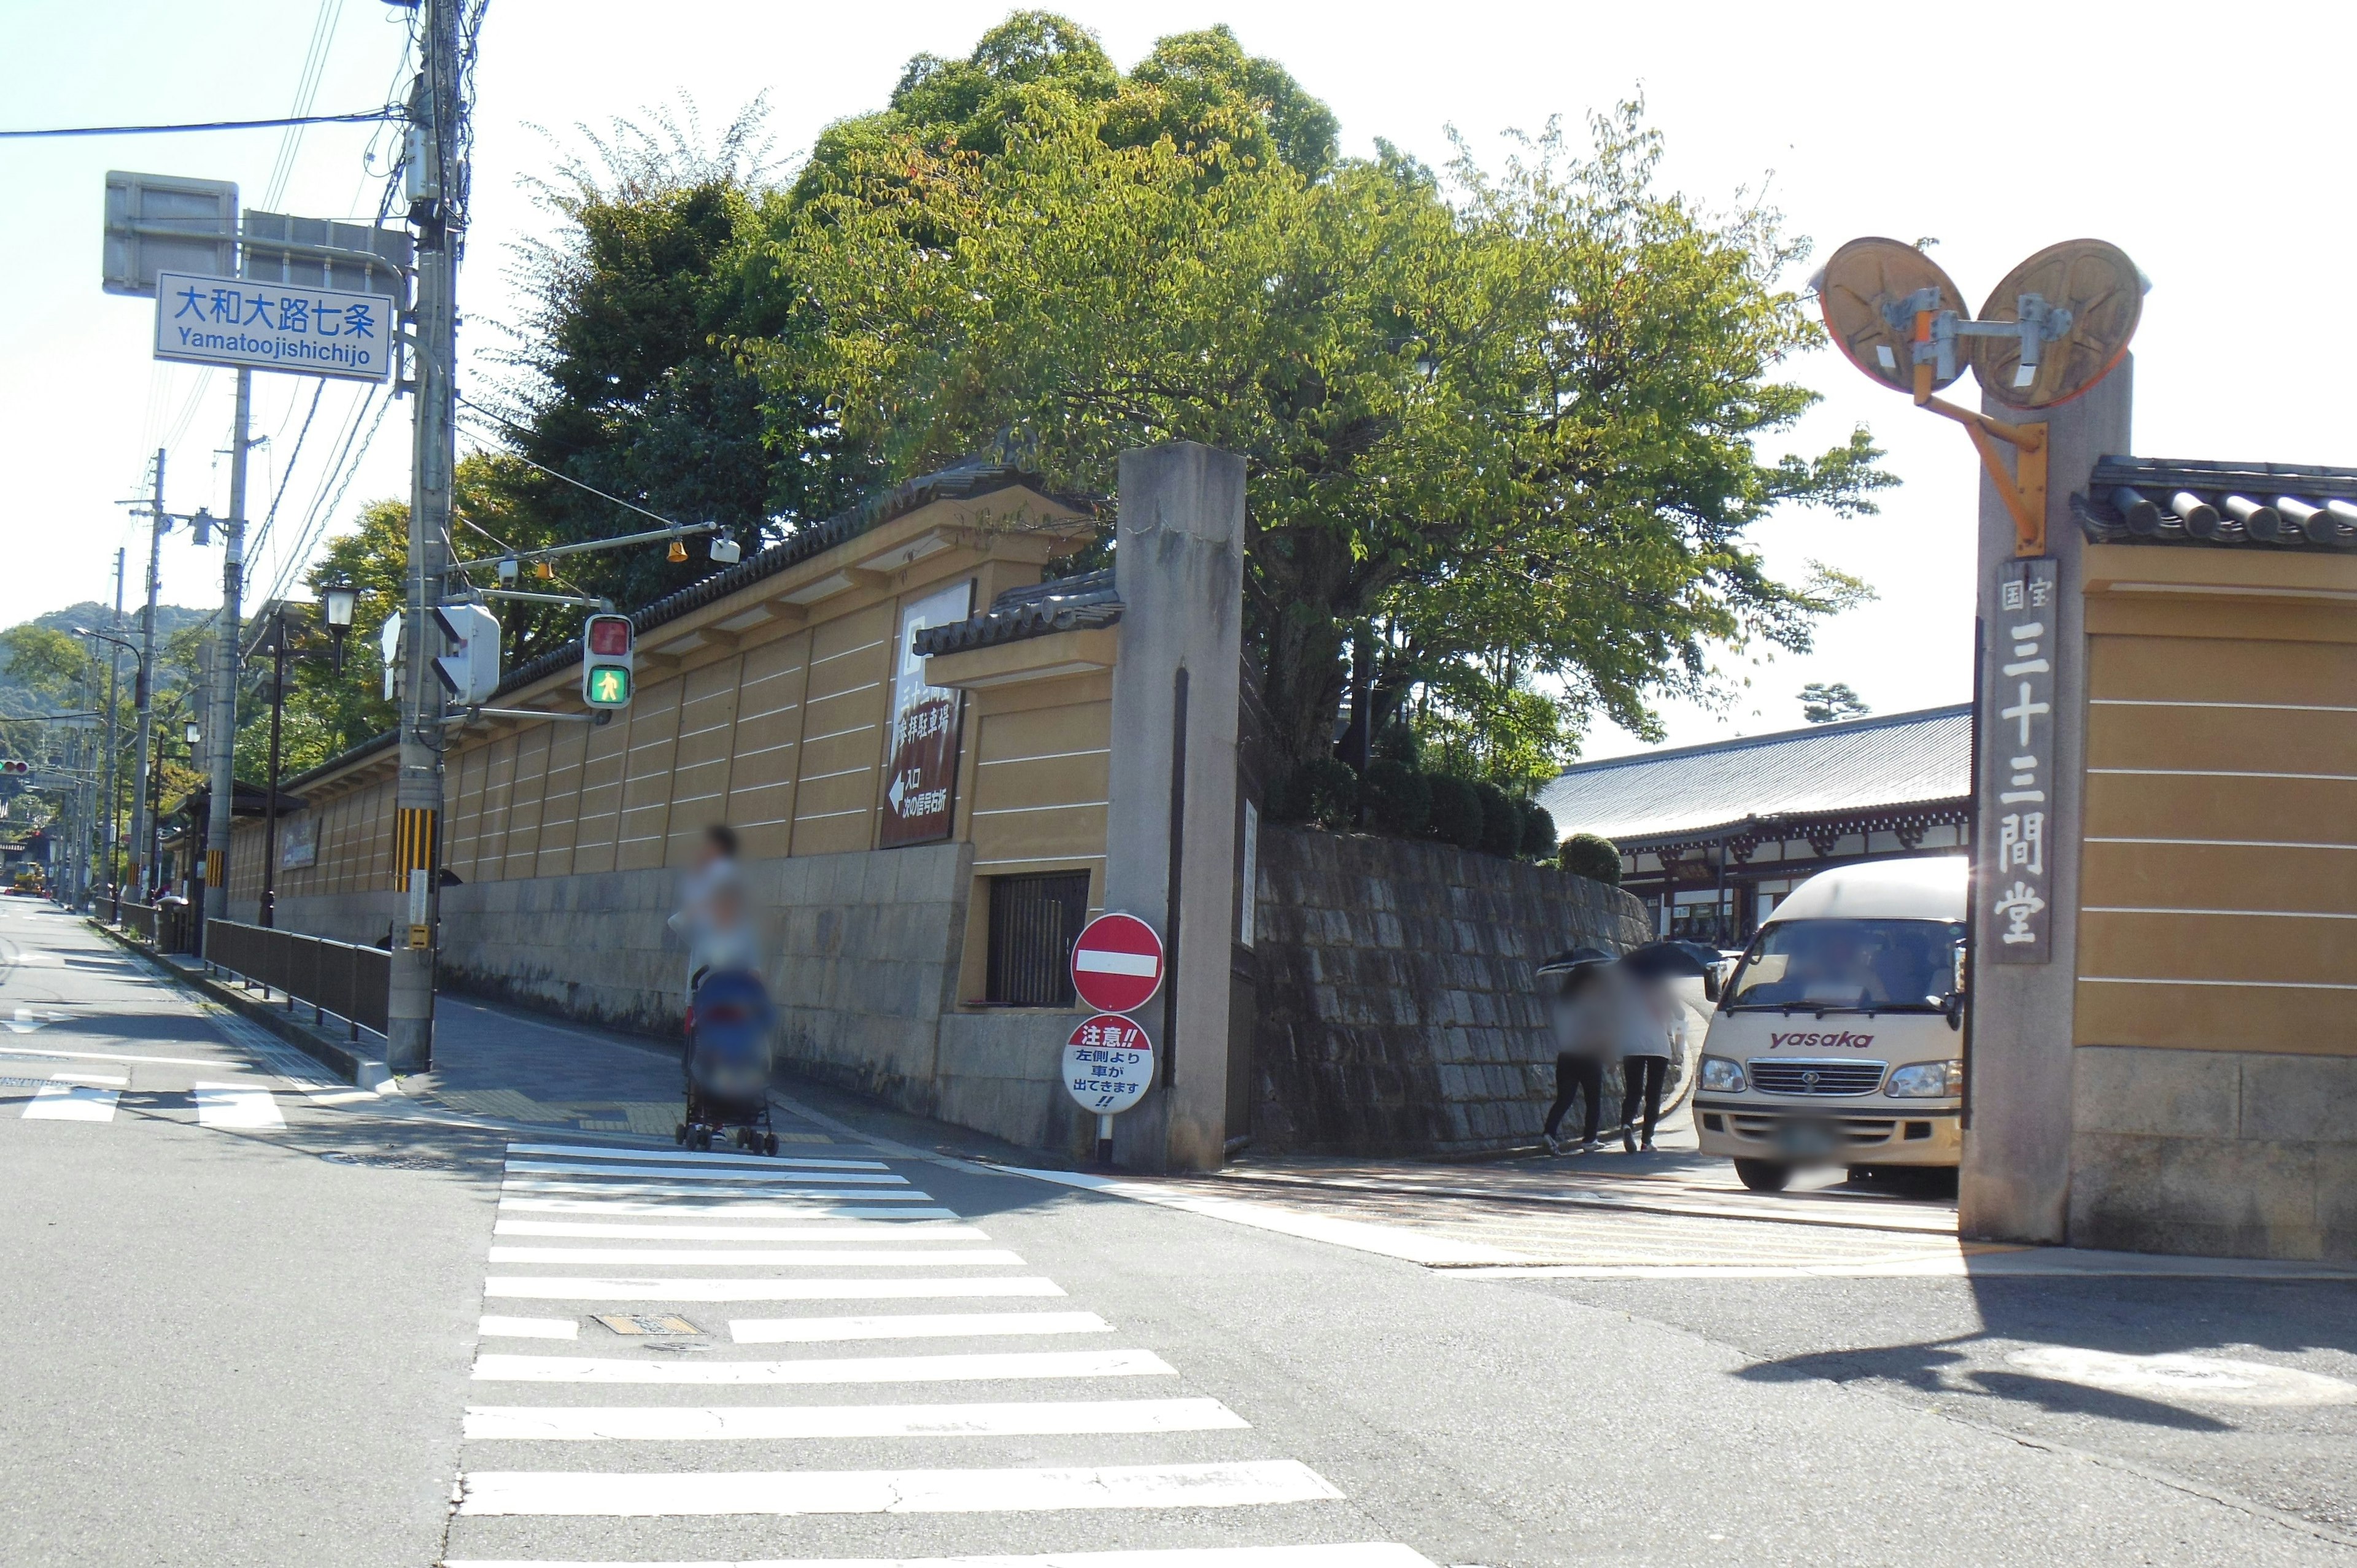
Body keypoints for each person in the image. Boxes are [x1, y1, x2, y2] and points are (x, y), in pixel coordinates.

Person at [1537, 946, 1630, 1156]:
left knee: (1564, 1099)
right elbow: (1598, 1033)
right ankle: (1589, 1139)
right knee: (1593, 1100)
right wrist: (1610, 1058)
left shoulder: (1562, 1004)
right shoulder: (1591, 1004)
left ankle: (1549, 1132)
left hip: (1566, 1056)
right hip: (1588, 1057)